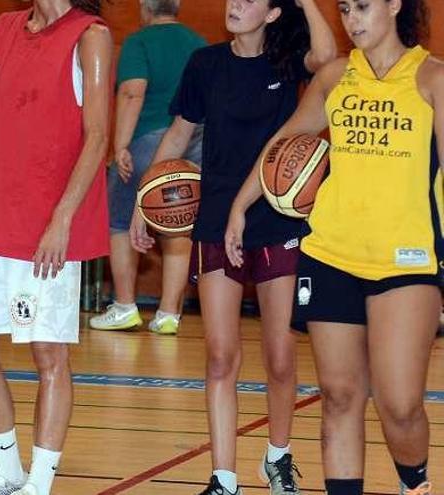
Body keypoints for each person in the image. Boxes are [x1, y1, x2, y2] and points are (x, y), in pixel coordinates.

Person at [225, 1, 439, 494]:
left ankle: (415, 483)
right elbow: (287, 140)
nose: (353, 20)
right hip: (330, 254)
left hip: (406, 259)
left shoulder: (432, 78)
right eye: (344, 9)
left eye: (364, 7)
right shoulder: (335, 77)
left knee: (400, 403)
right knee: (340, 397)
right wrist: (241, 205)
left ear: (394, 5)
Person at [130, 0, 336, 493]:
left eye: (249, 0)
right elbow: (179, 133)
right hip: (216, 217)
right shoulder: (205, 63)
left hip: (277, 217)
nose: (234, 4)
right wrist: (143, 203)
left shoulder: (289, 59)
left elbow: (329, 61)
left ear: (271, 14)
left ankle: (278, 456)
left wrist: (306, 2)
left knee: (280, 354)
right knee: (221, 355)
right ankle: (224, 477)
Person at [0, 0, 112, 494]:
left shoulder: (90, 35)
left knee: (48, 354)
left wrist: (62, 219)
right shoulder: (3, 28)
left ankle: (38, 484)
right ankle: (7, 470)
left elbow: (97, 136)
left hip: (45, 227)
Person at [89, 0, 204, 334]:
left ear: (144, 7)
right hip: (195, 141)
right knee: (179, 222)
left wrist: (120, 145)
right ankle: (169, 314)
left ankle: (125, 306)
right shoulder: (198, 42)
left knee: (120, 221)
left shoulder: (139, 42)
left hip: (147, 139)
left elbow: (131, 94)